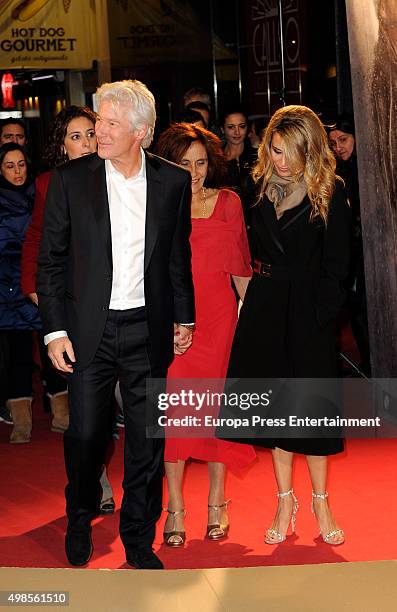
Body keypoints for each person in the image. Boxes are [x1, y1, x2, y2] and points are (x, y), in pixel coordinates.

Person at [37, 80, 195, 570]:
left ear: (140, 132)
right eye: (98, 121)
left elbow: (176, 255)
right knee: (86, 435)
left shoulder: (171, 181)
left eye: (108, 123)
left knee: (147, 441)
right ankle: (81, 517)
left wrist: (184, 315)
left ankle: (138, 538)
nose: (98, 132)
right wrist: (55, 331)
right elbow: (51, 263)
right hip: (89, 332)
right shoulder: (71, 180)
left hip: (148, 330)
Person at [223, 105, 350, 546]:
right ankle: (284, 499)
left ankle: (320, 500)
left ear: (310, 150)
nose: (281, 161)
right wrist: (245, 299)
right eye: (275, 150)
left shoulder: (330, 192)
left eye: (290, 153)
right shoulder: (255, 188)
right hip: (265, 306)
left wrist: (321, 316)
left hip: (308, 310)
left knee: (311, 413)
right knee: (275, 412)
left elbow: (339, 267)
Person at [155, 123, 255, 547]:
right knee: (176, 415)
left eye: (200, 163)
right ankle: (174, 506)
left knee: (215, 415)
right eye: (184, 163)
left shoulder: (228, 202)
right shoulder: (157, 204)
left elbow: (242, 269)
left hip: (220, 322)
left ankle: (217, 502)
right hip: (175, 323)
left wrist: (249, 323)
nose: (193, 172)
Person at [21, 105, 115, 514]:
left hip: (117, 307)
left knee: (110, 404)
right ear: (62, 145)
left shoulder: (117, 178)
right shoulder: (49, 184)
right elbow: (36, 241)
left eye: (90, 135)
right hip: (74, 311)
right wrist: (41, 296)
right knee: (87, 410)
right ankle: (95, 482)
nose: (86, 143)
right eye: (75, 136)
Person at [0, 143, 40, 443]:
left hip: (40, 281)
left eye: (21, 164)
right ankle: (22, 421)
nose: (17, 171)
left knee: (55, 348)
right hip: (6, 288)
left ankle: (63, 413)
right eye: (10, 165)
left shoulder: (40, 193)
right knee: (18, 355)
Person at [328, 114, 370, 375]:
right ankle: (367, 362)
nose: (338, 147)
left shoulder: (366, 167)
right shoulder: (339, 170)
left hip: (367, 249)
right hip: (352, 249)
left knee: (364, 307)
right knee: (356, 309)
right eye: (333, 143)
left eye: (343, 140)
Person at [222, 107, 257, 228]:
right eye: (231, 127)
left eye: (242, 126)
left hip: (255, 224)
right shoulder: (216, 160)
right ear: (222, 129)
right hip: (226, 224)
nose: (237, 132)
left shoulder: (258, 157)